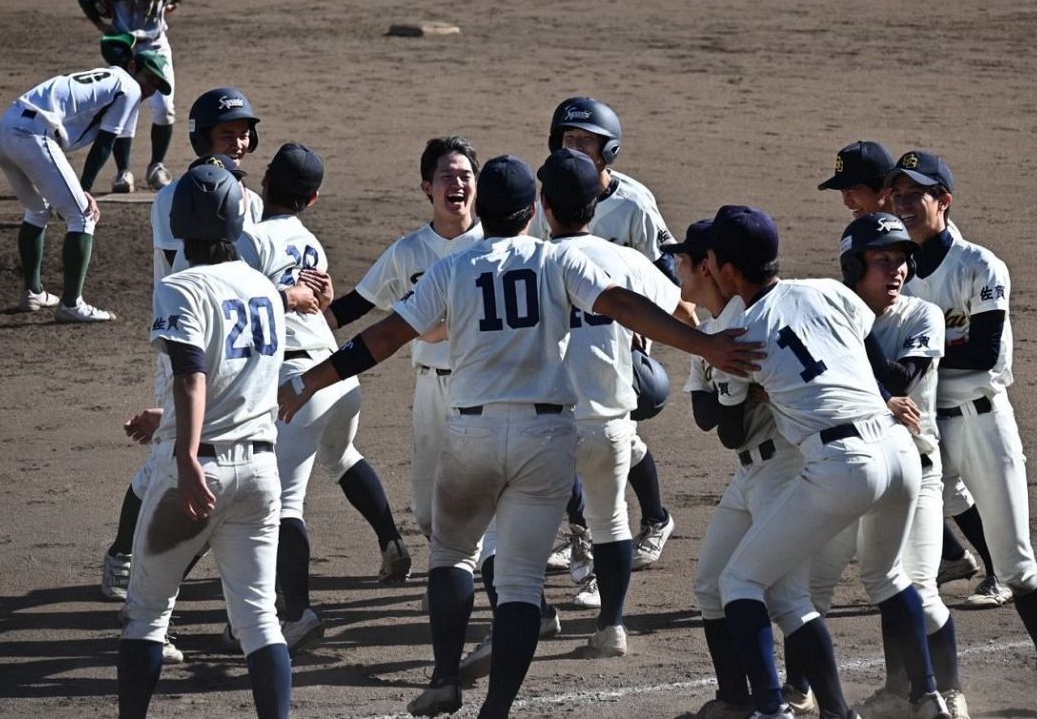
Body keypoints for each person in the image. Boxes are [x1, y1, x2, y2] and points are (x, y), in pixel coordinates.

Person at [277, 155, 760, 719]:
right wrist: (704, 346)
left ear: (481, 208)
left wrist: (311, 379)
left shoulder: (453, 267)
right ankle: (498, 708)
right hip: (545, 436)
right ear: (534, 211)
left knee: (453, 555)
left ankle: (442, 679)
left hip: (471, 431)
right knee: (524, 583)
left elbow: (383, 336)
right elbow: (624, 305)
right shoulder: (555, 260)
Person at [703, 204, 948, 719]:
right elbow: (876, 365)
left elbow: (728, 430)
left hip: (841, 463)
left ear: (727, 271)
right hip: (901, 449)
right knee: (887, 577)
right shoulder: (829, 290)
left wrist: (755, 392)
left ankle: (771, 708)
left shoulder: (740, 333)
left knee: (740, 582)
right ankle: (928, 696)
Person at [888, 150, 1037, 716]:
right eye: (895, 196)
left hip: (984, 423)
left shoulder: (979, 265)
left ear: (942, 200)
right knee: (910, 572)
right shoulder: (892, 269)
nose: (902, 206)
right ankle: (944, 689)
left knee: (1016, 563)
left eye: (913, 196)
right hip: (924, 433)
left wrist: (920, 354)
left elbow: (987, 349)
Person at [118, 163, 290, 719]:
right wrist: (163, 414)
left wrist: (185, 456)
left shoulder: (180, 285)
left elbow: (194, 374)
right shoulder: (264, 287)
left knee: (147, 613)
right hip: (262, 473)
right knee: (259, 618)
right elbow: (237, 376)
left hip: (199, 471)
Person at [232, 142, 412, 651]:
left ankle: (299, 614)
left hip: (296, 382)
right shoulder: (312, 243)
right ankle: (390, 540)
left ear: (264, 180)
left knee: (284, 502)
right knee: (341, 456)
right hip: (338, 374)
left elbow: (243, 311)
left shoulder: (250, 239)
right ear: (314, 199)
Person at [802, 212, 969, 719]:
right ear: (854, 267)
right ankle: (797, 688)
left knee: (915, 586)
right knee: (808, 587)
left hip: (913, 472)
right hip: (849, 467)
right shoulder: (830, 313)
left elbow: (901, 379)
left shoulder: (922, 316)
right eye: (882, 262)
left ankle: (945, 690)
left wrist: (851, 321)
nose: (897, 271)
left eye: (901, 261)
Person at [818, 140, 992, 601]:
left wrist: (857, 321)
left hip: (937, 376)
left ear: (880, 192)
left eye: (852, 189)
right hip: (902, 386)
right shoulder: (869, 243)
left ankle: (991, 566)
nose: (846, 200)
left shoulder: (905, 250)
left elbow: (906, 344)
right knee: (937, 485)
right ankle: (954, 556)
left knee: (942, 481)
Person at [539, 96, 691, 601]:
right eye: (568, 141)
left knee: (607, 429)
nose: (576, 149)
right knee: (571, 429)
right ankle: (592, 533)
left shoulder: (633, 203)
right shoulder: (554, 197)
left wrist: (644, 324)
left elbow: (666, 270)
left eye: (586, 142)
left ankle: (647, 520)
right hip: (569, 337)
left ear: (610, 150)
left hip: (625, 335)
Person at [672, 217, 817, 719]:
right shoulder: (706, 332)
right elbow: (706, 418)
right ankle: (736, 698)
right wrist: (735, 390)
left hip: (785, 470)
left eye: (685, 261)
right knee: (711, 583)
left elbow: (729, 428)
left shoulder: (744, 326)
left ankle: (785, 701)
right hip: (747, 474)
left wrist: (736, 391)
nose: (677, 268)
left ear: (710, 268)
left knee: (781, 594)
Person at [326, 136, 484, 545]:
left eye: (466, 175)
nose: (458, 184)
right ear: (426, 187)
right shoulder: (408, 251)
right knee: (428, 509)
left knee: (487, 492)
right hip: (430, 384)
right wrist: (303, 323)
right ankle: (455, 565)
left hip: (483, 382)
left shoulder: (494, 246)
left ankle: (482, 579)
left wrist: (448, 326)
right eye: (447, 175)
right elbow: (357, 304)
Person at [0, 47, 171, 322]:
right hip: (32, 135)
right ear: (133, 66)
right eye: (151, 79)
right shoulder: (129, 86)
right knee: (83, 214)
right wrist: (85, 190)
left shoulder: (113, 81)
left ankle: (33, 292)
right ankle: (72, 305)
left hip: (4, 131)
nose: (151, 89)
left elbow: (115, 139)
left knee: (37, 210)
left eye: (157, 86)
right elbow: (103, 145)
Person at [79, 0, 197, 193]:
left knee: (165, 109)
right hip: (125, 49)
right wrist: (101, 25)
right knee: (124, 108)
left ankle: (156, 165)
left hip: (156, 43)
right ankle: (123, 172)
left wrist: (173, 1)